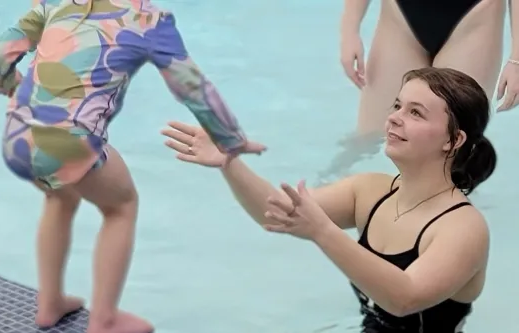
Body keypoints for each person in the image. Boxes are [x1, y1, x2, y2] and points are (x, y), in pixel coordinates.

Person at [0, 0, 265, 332]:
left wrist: (7, 86)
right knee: (121, 204)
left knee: (59, 195)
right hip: (68, 146)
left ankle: (50, 303)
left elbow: (0, 50)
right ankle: (105, 319)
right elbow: (193, 87)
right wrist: (232, 140)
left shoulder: (56, 3)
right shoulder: (149, 21)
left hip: (16, 137)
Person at [161, 67, 496, 332]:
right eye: (397, 105)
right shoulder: (370, 191)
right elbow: (275, 212)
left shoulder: (462, 228)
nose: (394, 116)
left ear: (453, 140)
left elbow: (404, 298)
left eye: (416, 113)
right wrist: (230, 163)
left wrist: (323, 231)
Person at [320, 0, 509, 182]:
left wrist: (516, 58)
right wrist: (349, 31)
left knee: (452, 153)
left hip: (476, 15)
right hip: (400, 15)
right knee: (369, 138)